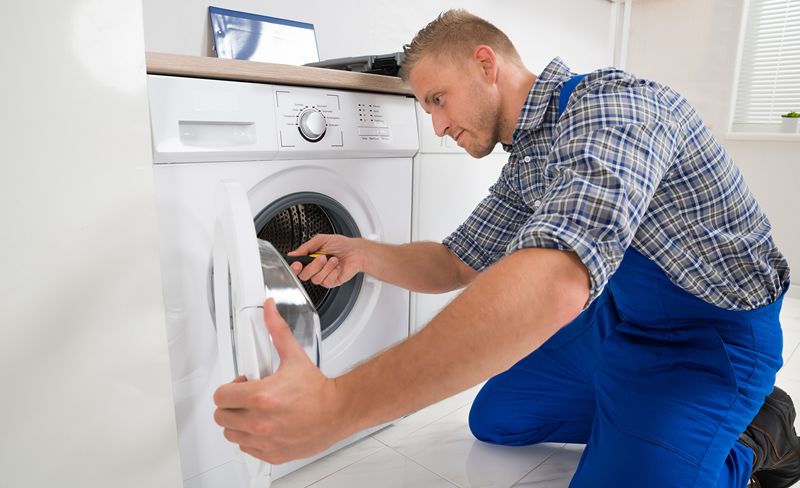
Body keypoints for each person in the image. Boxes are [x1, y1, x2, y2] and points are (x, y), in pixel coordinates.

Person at [213, 9, 799, 487]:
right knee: (496, 418)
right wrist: (363, 252)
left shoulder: (617, 108)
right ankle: (651, 425)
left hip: (711, 341)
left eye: (437, 99)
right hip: (619, 321)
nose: (437, 126)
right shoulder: (529, 160)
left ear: (485, 64)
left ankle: (757, 434)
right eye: (427, 110)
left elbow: (559, 280)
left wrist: (338, 406)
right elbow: (454, 262)